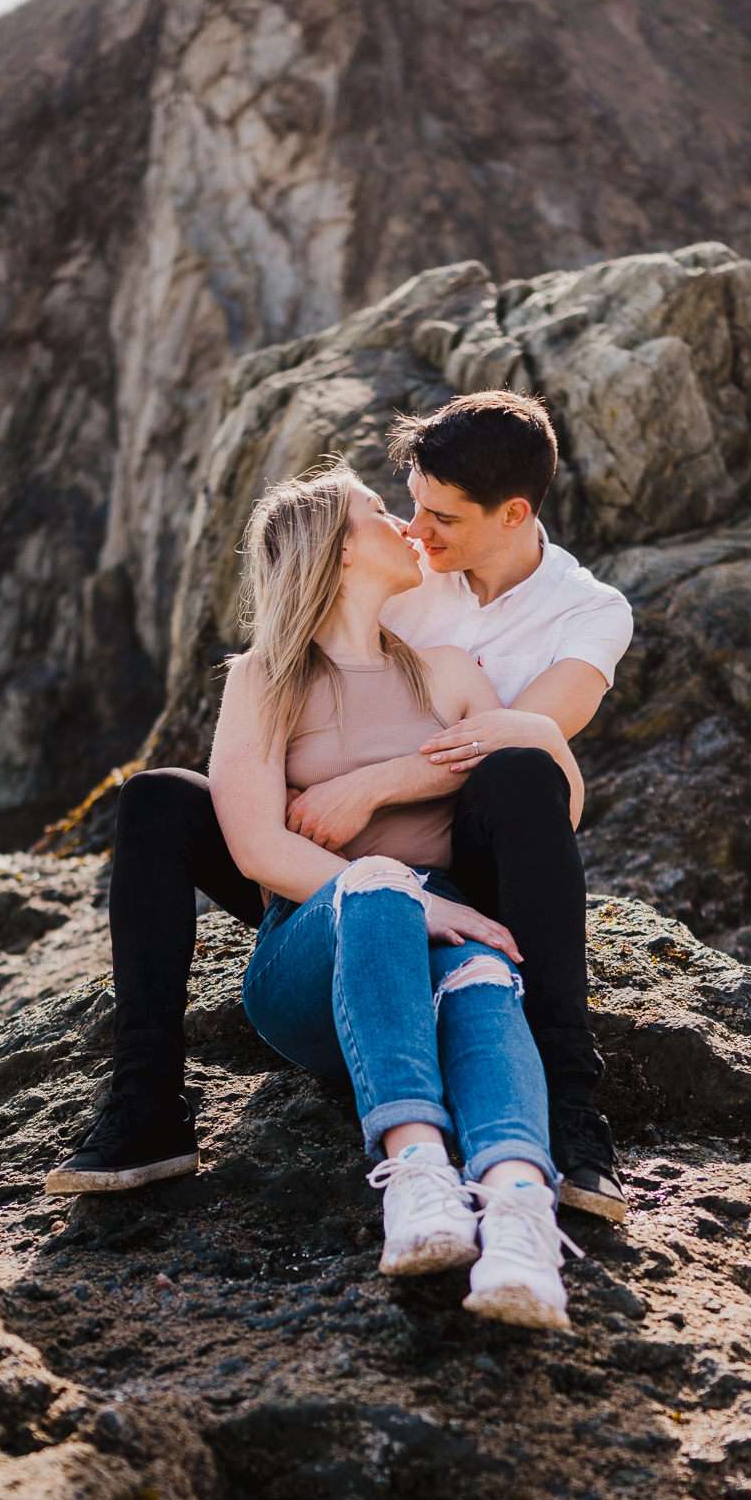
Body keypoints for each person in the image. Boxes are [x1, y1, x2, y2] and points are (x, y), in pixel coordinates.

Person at [45, 390, 634, 1214]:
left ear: (512, 515)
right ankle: (144, 1104)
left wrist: (369, 786)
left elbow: (532, 748)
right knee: (158, 801)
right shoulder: (398, 576)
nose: (416, 533)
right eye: (403, 510)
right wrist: (296, 795)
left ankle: (571, 1104)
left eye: (439, 520)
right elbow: (309, 622)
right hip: (324, 868)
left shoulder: (588, 614)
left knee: (521, 770)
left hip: (470, 854)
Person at [210, 459, 586, 1330]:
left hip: (443, 931)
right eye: (380, 513)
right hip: (312, 953)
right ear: (341, 554)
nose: (407, 526)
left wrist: (531, 731)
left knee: (487, 978)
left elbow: (548, 808)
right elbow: (254, 846)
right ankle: (416, 1177)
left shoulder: (445, 672)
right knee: (385, 889)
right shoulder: (263, 677)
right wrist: (416, 900)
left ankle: (520, 1218)